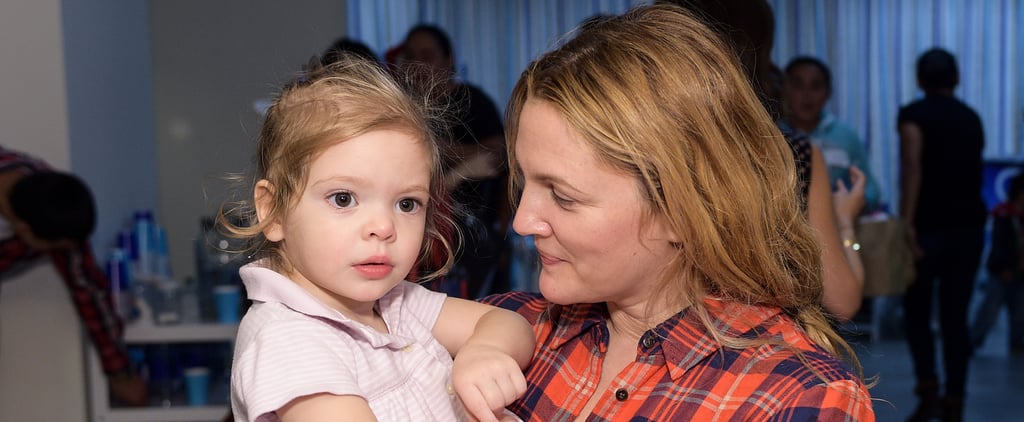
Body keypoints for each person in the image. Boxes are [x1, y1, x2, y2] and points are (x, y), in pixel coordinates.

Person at [482, 5, 873, 420]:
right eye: (524, 183)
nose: (522, 221)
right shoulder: (501, 331)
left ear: (682, 211)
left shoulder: (795, 397)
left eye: (563, 196)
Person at [225, 54, 533, 422]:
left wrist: (484, 351)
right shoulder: (286, 340)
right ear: (273, 211)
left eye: (406, 203)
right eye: (343, 199)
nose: (384, 227)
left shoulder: (395, 304)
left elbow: (508, 323)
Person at [659, 0, 866, 321]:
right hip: (760, 354)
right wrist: (844, 221)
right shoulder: (791, 153)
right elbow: (843, 300)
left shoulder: (642, 145)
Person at [0, 145, 147, 406]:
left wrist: (121, 374)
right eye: (55, 248)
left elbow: (88, 290)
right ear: (23, 230)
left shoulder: (49, 203)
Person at [898, 48, 986, 422]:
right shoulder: (972, 118)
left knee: (917, 314)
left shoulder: (912, 115)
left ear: (920, 80)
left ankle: (928, 389)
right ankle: (955, 401)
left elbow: (912, 169)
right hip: (969, 227)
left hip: (928, 228)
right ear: (957, 78)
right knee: (955, 317)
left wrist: (906, 223)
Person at [397, 24, 511, 299]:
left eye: (427, 55)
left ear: (448, 59)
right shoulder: (403, 108)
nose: (418, 65)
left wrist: (444, 151)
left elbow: (498, 156)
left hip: (474, 238)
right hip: (423, 238)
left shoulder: (473, 101)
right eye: (410, 57)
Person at [779, 56, 883, 212]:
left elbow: (871, 190)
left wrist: (849, 205)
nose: (807, 95)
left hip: (840, 226)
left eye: (815, 87)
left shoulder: (846, 136)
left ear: (828, 92)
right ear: (784, 90)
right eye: (798, 85)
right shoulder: (773, 134)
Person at [971, 172, 1024, 353]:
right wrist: (1002, 267)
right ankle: (973, 341)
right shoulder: (1004, 215)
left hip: (1020, 271)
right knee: (989, 310)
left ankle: (1018, 342)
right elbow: (1000, 245)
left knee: (1019, 312)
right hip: (1002, 271)